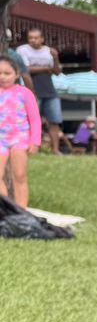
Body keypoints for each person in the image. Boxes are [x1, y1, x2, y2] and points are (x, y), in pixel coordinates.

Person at [0, 54, 41, 208]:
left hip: (20, 139)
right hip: (0, 140)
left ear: (16, 74)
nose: (3, 77)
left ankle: (22, 210)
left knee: (20, 176)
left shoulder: (25, 93)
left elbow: (35, 119)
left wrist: (35, 141)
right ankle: (7, 208)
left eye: (7, 73)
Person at [15, 28, 62, 154]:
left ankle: (55, 150)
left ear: (42, 39)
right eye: (30, 38)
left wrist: (56, 58)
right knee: (32, 120)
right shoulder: (22, 50)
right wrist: (46, 68)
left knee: (54, 120)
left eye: (36, 38)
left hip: (50, 90)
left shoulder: (48, 51)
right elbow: (26, 70)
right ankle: (31, 148)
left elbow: (57, 72)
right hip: (31, 90)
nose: (33, 40)